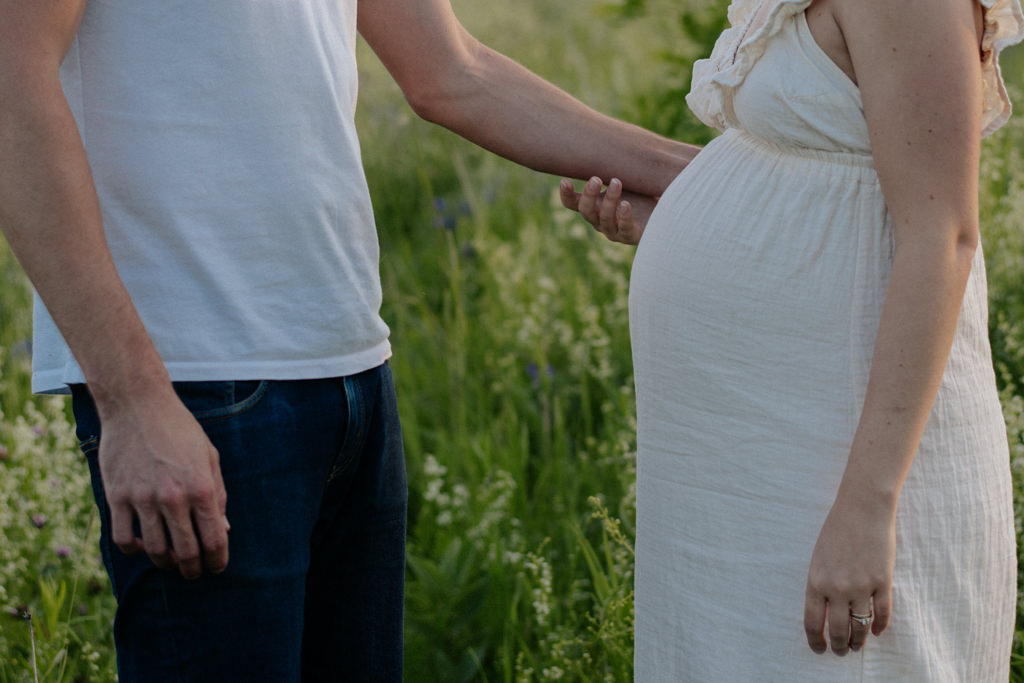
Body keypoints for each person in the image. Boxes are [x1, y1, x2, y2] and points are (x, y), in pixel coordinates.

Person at [0, 1, 697, 680]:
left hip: (353, 376)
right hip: (191, 391)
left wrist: (711, 180)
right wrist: (132, 399)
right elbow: (11, 80)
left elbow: (455, 70)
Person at [560, 0, 1024, 679]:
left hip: (845, 465)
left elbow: (942, 237)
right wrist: (701, 219)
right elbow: (826, 174)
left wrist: (867, 507)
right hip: (767, 460)